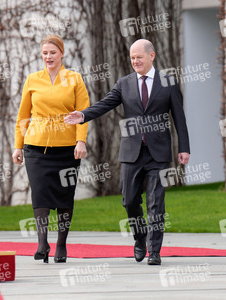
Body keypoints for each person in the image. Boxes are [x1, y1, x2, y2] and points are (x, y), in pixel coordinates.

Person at [65, 39, 190, 265]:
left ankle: (154, 251)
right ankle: (140, 238)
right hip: (131, 152)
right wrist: (83, 115)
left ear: (151, 56)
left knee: (156, 202)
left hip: (158, 153)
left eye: (138, 57)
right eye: (132, 57)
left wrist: (184, 148)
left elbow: (179, 118)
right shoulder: (125, 83)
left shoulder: (168, 82)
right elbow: (105, 104)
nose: (135, 61)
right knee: (129, 201)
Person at [12, 34, 89, 263]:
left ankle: (62, 245)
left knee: (65, 196)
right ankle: (42, 242)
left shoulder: (74, 79)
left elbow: (84, 114)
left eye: (52, 52)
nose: (48, 57)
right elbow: (23, 116)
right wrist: (18, 146)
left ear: (62, 53)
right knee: (41, 194)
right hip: (36, 149)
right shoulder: (32, 79)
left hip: (67, 150)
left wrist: (81, 141)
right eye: (45, 53)